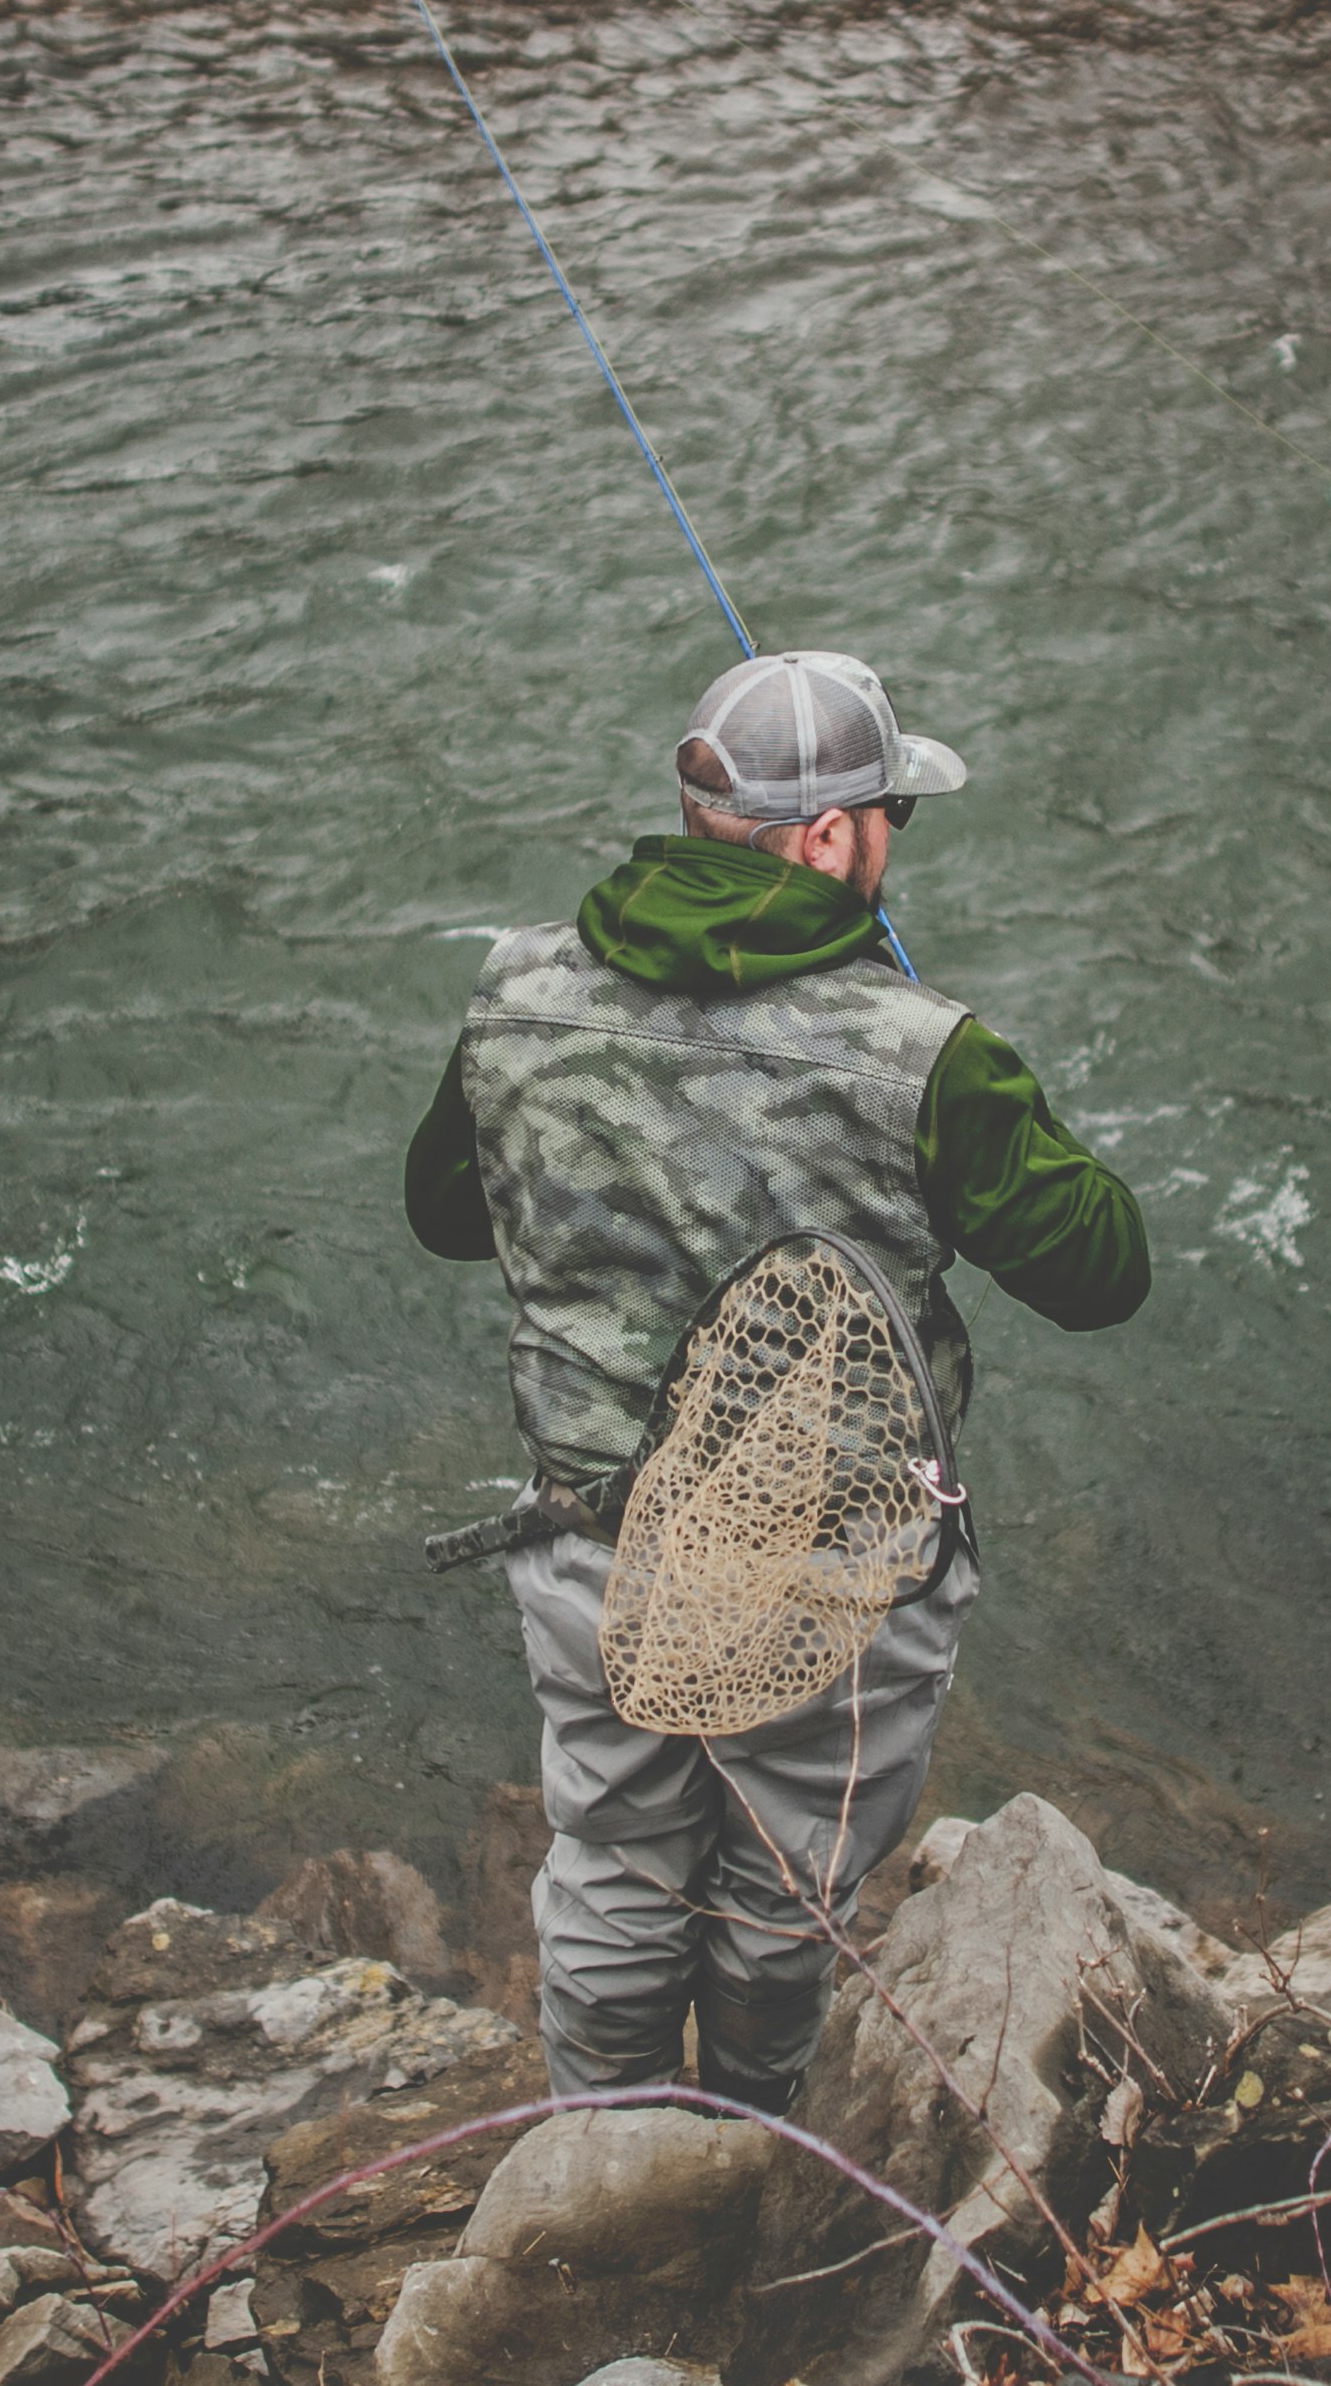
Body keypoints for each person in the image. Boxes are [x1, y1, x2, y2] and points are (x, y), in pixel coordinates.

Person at [404, 650, 1148, 2107]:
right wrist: (957, 1078)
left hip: (587, 1544)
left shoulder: (517, 988)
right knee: (782, 1891)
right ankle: (753, 2141)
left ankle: (606, 2147)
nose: (894, 844)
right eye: (891, 820)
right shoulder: (932, 1060)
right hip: (833, 1577)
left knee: (615, 1859)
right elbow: (1103, 1270)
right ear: (826, 842)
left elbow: (445, 1213)